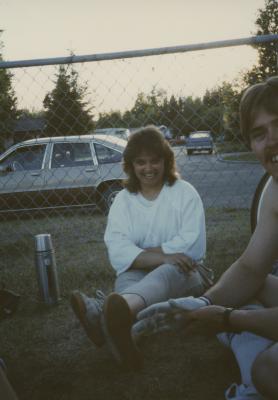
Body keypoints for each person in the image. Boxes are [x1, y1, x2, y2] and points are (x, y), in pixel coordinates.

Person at [133, 77, 278, 399]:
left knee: (267, 370)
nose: (273, 140)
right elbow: (251, 269)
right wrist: (203, 303)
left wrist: (229, 318)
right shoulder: (274, 188)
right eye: (259, 134)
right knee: (258, 285)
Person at [70, 125, 213, 370]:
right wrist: (164, 256)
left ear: (166, 161)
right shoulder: (123, 201)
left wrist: (146, 255)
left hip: (186, 274)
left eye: (155, 161)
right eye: (140, 162)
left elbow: (191, 247)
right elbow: (118, 249)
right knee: (128, 278)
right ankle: (125, 338)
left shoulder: (184, 193)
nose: (148, 168)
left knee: (168, 271)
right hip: (139, 272)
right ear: (131, 165)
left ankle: (106, 316)